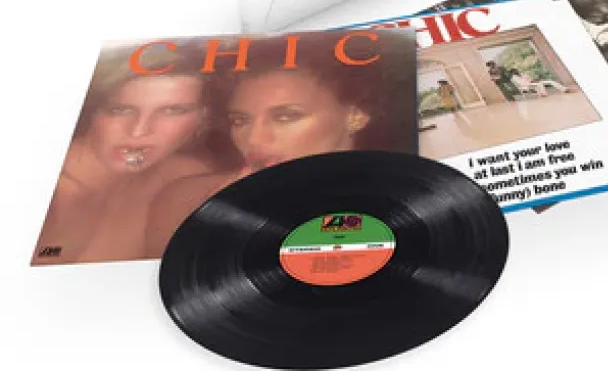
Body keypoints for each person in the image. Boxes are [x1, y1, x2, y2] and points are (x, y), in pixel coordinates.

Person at [144, 32, 414, 256]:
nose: (254, 139)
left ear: (356, 115)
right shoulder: (184, 201)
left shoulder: (408, 203)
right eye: (240, 120)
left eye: (285, 117)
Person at [32, 41, 234, 265]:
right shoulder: (44, 191)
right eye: (120, 109)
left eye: (172, 110)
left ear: (203, 117)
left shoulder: (185, 176)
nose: (138, 131)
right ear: (92, 111)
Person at [508, 68, 575, 97]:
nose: (518, 71)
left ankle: (565, 90)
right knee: (539, 84)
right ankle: (543, 94)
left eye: (517, 70)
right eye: (516, 71)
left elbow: (530, 79)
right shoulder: (514, 78)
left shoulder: (521, 74)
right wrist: (530, 81)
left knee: (550, 81)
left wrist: (534, 79)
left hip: (532, 82)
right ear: (513, 72)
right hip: (526, 86)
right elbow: (523, 84)